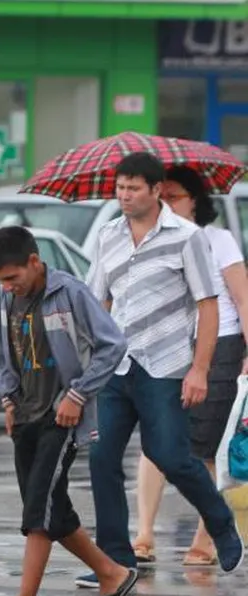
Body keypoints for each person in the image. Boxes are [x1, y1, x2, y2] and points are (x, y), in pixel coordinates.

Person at [78, 151, 244, 589]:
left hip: (166, 367)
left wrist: (200, 370)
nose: (125, 196)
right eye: (120, 188)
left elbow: (208, 306)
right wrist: (88, 363)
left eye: (134, 188)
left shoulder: (187, 237)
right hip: (116, 366)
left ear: (156, 191)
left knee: (170, 455)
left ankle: (220, 523)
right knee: (101, 458)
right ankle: (115, 560)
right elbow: (98, 302)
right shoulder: (109, 236)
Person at [0, 225, 137, 596]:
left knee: (38, 511)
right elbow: (3, 353)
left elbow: (113, 345)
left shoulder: (71, 293)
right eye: (0, 280)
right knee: (54, 511)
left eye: (13, 277)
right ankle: (112, 574)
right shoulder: (7, 297)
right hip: (26, 416)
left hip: (62, 418)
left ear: (35, 262)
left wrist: (78, 395)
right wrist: (7, 399)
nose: (7, 287)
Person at [131, 166, 248, 567]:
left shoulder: (219, 241)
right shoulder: (151, 241)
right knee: (154, 442)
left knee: (204, 445)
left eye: (176, 196)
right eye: (163, 196)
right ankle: (143, 534)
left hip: (220, 347)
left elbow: (243, 299)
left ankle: (206, 537)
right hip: (165, 347)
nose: (168, 204)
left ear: (196, 199)